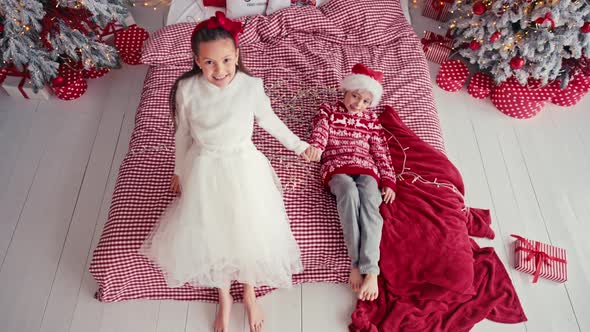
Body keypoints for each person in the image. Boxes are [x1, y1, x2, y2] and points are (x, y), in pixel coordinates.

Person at [140, 12, 315, 332]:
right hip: (205, 165)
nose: (219, 70)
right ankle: (224, 297)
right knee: (212, 231)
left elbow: (270, 121)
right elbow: (182, 135)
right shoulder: (187, 89)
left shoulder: (250, 87)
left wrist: (299, 145)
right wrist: (179, 171)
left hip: (244, 165)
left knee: (247, 228)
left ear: (237, 55)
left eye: (225, 60)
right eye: (209, 63)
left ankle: (249, 293)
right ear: (196, 60)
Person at [307, 64, 397, 301]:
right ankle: (356, 263)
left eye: (365, 101)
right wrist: (316, 147)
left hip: (366, 168)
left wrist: (388, 180)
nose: (358, 104)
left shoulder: (371, 121)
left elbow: (380, 150)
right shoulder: (328, 110)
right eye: (355, 96)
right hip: (336, 167)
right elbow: (320, 132)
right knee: (348, 195)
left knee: (370, 205)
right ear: (345, 91)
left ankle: (371, 270)